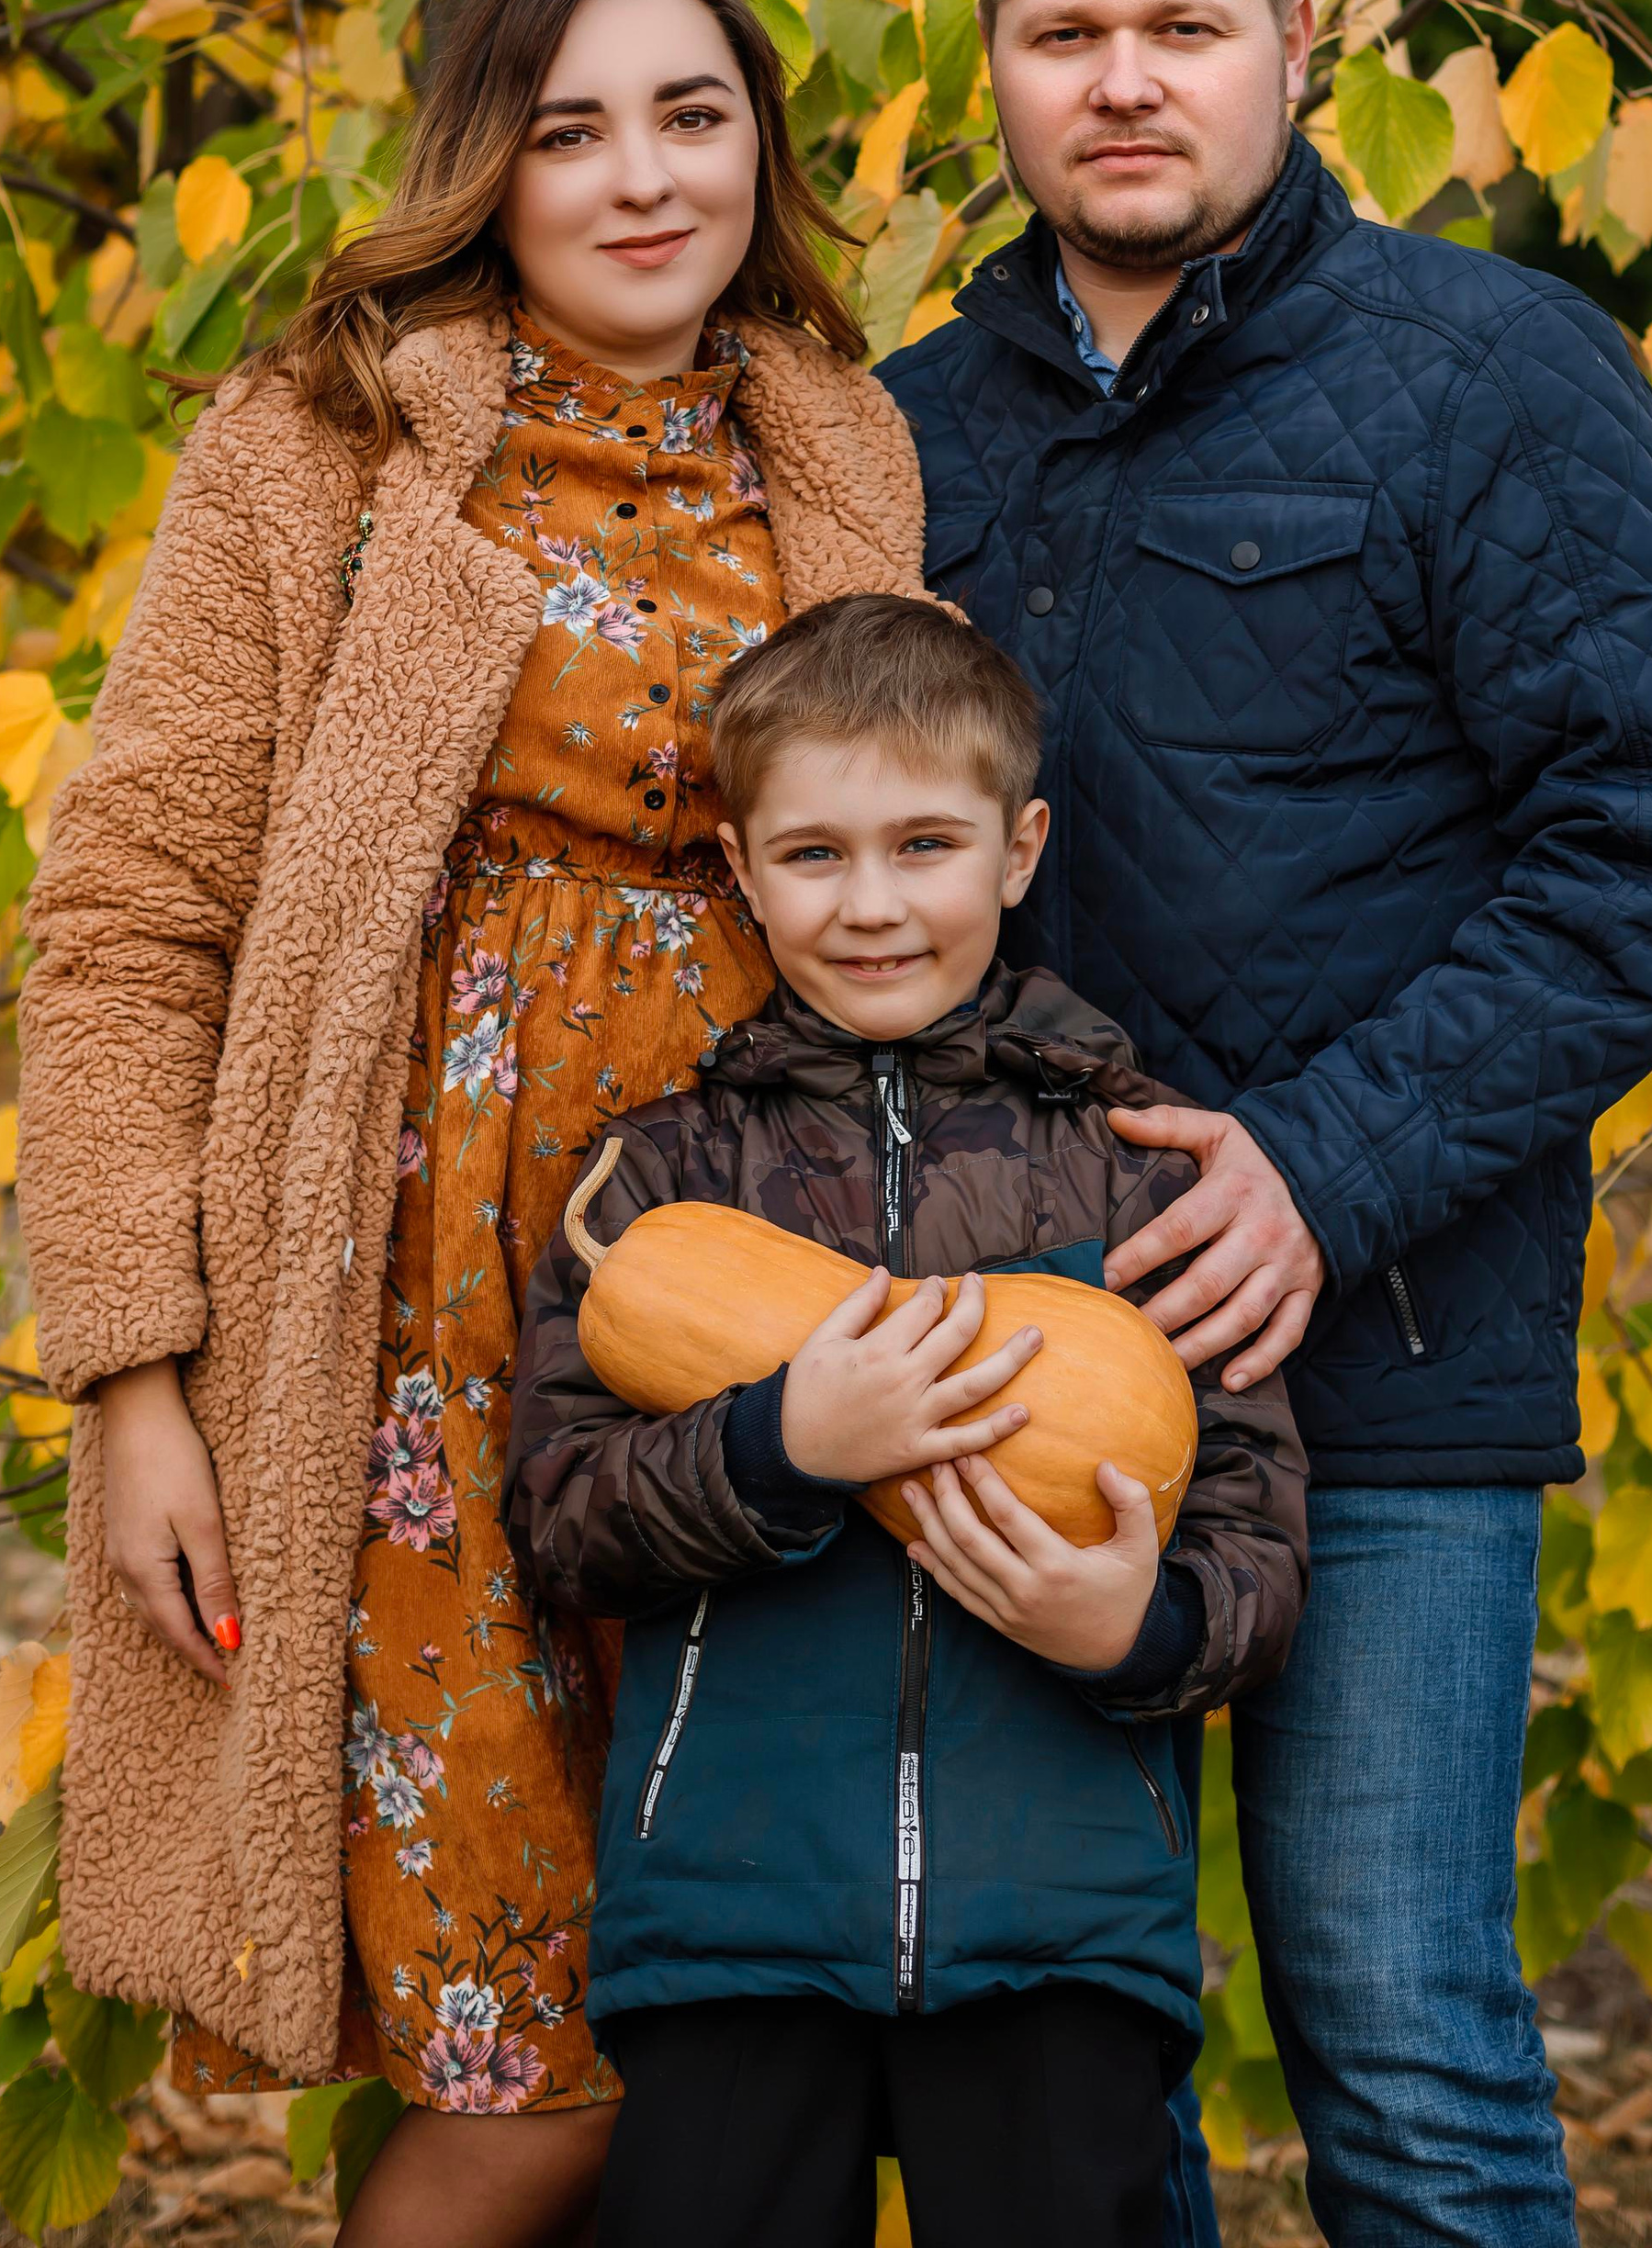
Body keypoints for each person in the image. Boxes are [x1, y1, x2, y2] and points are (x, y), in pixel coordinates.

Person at [880, 0, 1652, 2248]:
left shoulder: (1486, 375)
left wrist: (1330, 1161)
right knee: (1076, 2049)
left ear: (1293, 44)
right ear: (999, 73)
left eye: (1183, 25)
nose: (1126, 81)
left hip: (1383, 1351)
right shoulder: (903, 428)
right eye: (1068, 34)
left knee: (1400, 2030)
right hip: (1014, 1359)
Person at [17, 0, 931, 2248]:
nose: (642, 177)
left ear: (760, 151)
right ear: (483, 171)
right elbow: (130, 913)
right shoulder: (324, 453)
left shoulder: (841, 448)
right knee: (525, 2064)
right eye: (570, 128)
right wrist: (135, 1374)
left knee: (731, 2023)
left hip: (753, 1326)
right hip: (413, 1362)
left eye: (692, 116)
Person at [504, 594, 1309, 2248]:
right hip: (734, 1905)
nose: (872, 906)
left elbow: (1255, 1540)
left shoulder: (1144, 1171)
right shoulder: (662, 1178)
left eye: (924, 845)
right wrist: (781, 1444)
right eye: (813, 856)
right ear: (741, 871)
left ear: (1018, 852)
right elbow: (563, 1515)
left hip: (1061, 1913)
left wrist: (1133, 1627)